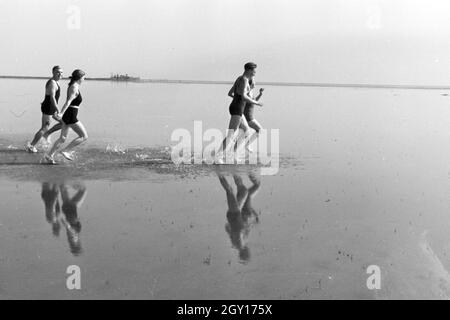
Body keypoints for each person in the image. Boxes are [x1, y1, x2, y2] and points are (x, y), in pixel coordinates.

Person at [215, 62, 263, 163]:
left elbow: (231, 93)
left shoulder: (240, 78)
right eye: (254, 71)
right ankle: (218, 157)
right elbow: (244, 96)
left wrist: (238, 99)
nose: (255, 73)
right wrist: (256, 102)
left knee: (246, 131)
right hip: (237, 109)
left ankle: (233, 155)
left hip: (237, 107)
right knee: (231, 134)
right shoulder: (244, 80)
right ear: (249, 70)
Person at [44, 69, 88, 164]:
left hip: (69, 114)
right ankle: (65, 151)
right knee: (84, 136)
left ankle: (49, 155)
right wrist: (61, 113)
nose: (84, 79)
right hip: (71, 115)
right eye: (84, 77)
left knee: (62, 138)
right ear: (79, 78)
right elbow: (68, 101)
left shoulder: (74, 86)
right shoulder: (74, 87)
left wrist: (62, 114)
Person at [26, 66, 64, 153]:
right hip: (49, 107)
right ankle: (31, 146)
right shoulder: (52, 83)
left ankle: (47, 134)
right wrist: (58, 110)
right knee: (44, 128)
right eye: (57, 72)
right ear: (53, 73)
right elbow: (52, 98)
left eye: (61, 72)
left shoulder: (56, 82)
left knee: (63, 123)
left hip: (51, 107)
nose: (60, 74)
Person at [228, 76, 264, 152]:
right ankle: (246, 146)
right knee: (259, 130)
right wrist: (237, 99)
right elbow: (248, 100)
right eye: (254, 82)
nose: (255, 83)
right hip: (248, 116)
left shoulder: (250, 92)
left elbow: (253, 101)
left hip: (246, 115)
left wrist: (260, 94)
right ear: (251, 83)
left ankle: (234, 151)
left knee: (243, 133)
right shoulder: (247, 92)